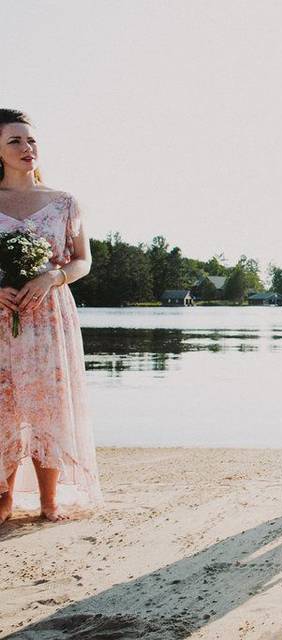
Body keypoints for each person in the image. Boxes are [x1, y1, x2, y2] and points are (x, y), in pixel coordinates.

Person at [0, 109, 101, 524]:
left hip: (48, 316)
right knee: (4, 403)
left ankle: (49, 500)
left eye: (32, 141)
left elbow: (83, 262)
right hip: (2, 316)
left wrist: (53, 278)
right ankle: (3, 500)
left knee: (48, 405)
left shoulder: (63, 202)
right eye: (15, 142)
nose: (28, 149)